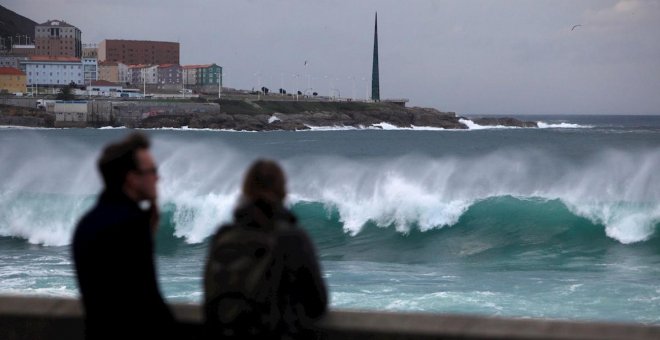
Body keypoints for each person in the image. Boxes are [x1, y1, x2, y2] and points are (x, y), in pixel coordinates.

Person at [204, 159, 328, 339]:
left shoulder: (222, 236)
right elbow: (317, 305)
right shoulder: (292, 238)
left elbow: (210, 299)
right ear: (283, 191)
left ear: (245, 190)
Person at [72, 132, 177, 339]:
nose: (158, 177)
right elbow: (147, 302)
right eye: (152, 171)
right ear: (132, 178)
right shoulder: (130, 226)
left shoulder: (86, 223)